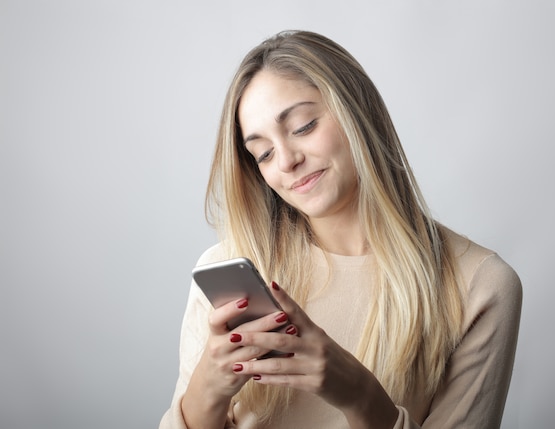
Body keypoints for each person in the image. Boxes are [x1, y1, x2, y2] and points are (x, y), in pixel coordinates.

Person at [160, 30, 522, 429]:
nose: (286, 161)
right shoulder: (230, 271)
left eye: (303, 126)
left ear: (357, 111)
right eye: (262, 153)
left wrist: (359, 394)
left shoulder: (480, 286)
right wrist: (207, 389)